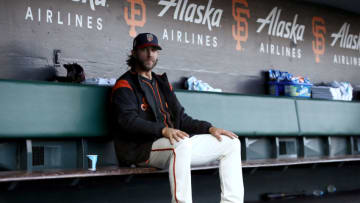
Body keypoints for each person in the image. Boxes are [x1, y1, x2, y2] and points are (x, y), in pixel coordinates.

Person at [111, 33, 244, 203]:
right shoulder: (125, 84)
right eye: (144, 50)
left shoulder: (162, 83)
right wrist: (163, 130)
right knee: (181, 143)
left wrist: (210, 128)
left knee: (231, 143)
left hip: (176, 146)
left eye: (154, 50)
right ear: (134, 53)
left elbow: (182, 119)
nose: (150, 54)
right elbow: (127, 121)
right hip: (142, 150)